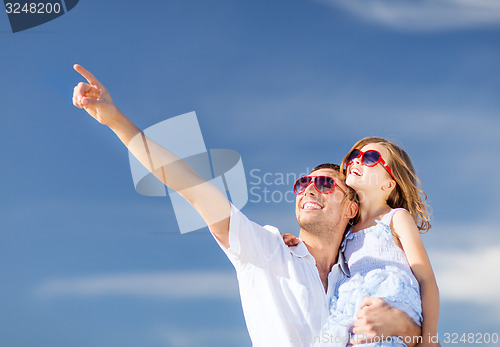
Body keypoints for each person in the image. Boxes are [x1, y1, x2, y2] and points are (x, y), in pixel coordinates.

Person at [72, 64, 422, 346]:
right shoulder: (266, 250)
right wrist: (115, 120)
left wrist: (407, 328)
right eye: (303, 182)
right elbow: (190, 186)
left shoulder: (359, 274)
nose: (309, 188)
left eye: (326, 183)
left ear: (351, 209)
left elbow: (412, 323)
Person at [320, 138, 439, 346]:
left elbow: (426, 279)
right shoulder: (345, 230)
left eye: (370, 158)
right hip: (354, 317)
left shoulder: (396, 218)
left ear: (389, 184)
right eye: (355, 156)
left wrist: (429, 338)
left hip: (391, 309)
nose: (357, 161)